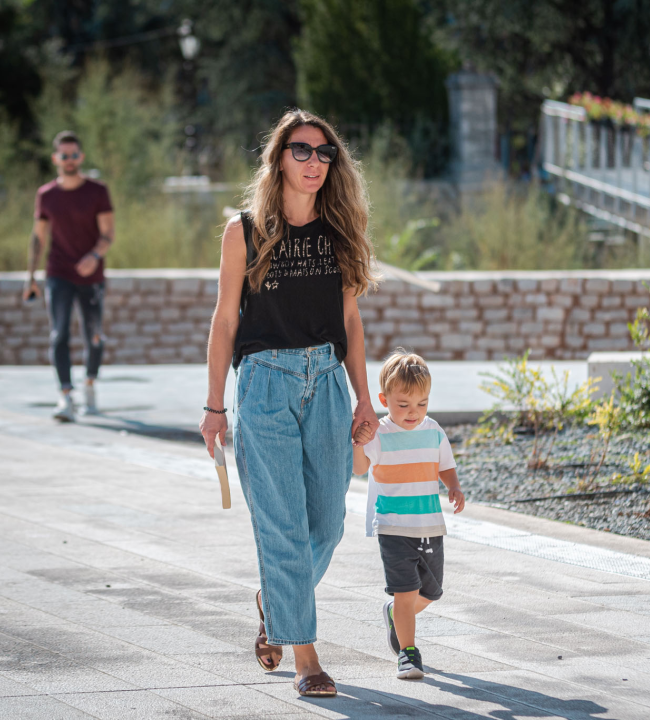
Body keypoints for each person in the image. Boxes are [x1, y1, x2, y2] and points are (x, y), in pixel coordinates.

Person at [198, 109, 378, 699]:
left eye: (325, 154)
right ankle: (307, 658)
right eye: (302, 151)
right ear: (278, 157)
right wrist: (214, 406)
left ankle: (273, 601)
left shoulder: (339, 233)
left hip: (326, 382)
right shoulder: (242, 232)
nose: (315, 163)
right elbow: (225, 321)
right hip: (266, 385)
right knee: (282, 526)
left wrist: (364, 399)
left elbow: (349, 319)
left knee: (327, 523)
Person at [352, 350, 465, 681]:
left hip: (430, 525)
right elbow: (360, 469)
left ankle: (395, 615)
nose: (413, 412)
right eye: (403, 405)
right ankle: (408, 653)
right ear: (384, 399)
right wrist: (358, 442)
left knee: (430, 591)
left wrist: (454, 487)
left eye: (422, 404)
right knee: (405, 591)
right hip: (393, 526)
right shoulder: (380, 434)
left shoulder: (433, 431)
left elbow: (445, 465)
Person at [24, 130, 114, 421]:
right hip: (58, 273)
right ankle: (65, 397)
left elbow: (108, 233)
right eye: (64, 155)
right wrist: (31, 277)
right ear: (56, 159)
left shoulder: (97, 191)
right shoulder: (46, 195)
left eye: (74, 155)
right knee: (59, 333)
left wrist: (94, 256)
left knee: (94, 337)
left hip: (91, 276)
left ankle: (89, 386)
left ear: (81, 157)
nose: (70, 160)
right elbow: (38, 237)